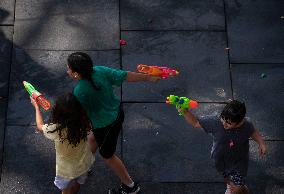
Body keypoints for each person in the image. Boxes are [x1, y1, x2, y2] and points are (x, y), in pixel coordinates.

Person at [66, 52, 161, 194]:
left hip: (106, 125)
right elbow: (125, 75)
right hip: (116, 113)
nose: (67, 70)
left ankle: (130, 187)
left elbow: (80, 115)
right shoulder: (99, 70)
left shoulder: (80, 91)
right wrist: (147, 77)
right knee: (92, 139)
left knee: (107, 156)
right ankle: (84, 166)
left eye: (68, 68)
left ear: (76, 74)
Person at [181, 100, 267, 194]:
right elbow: (196, 123)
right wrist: (185, 111)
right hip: (221, 160)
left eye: (229, 123)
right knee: (228, 179)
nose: (224, 124)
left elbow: (253, 132)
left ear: (240, 122)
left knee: (236, 188)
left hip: (238, 163)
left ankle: (237, 189)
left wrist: (261, 143)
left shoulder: (246, 125)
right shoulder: (216, 122)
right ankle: (236, 187)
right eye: (223, 119)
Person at [30, 93, 94, 194]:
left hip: (66, 170)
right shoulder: (84, 121)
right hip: (84, 163)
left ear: (57, 113)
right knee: (78, 182)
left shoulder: (56, 129)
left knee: (66, 189)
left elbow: (40, 126)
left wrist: (36, 107)